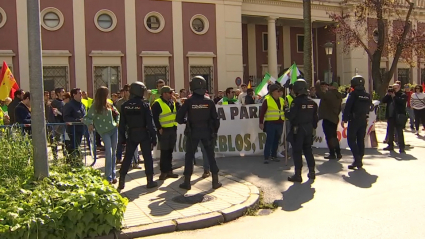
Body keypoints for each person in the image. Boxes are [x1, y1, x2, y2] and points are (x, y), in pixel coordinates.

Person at [176, 76, 221, 190]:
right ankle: (215, 181)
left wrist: (186, 121)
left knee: (189, 156)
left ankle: (187, 182)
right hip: (207, 132)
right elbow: (216, 119)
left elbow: (179, 118)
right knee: (211, 156)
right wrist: (214, 132)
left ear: (192, 87)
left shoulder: (189, 102)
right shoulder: (209, 101)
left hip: (193, 133)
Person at [118, 82, 158, 190]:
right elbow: (150, 123)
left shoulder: (125, 105)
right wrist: (154, 137)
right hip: (143, 133)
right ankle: (150, 181)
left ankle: (121, 180)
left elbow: (122, 124)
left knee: (127, 157)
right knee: (147, 157)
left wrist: (121, 139)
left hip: (132, 134)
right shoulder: (144, 105)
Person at [84, 87, 120, 184]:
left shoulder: (109, 103)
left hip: (113, 129)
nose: (108, 96)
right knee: (108, 152)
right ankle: (107, 176)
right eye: (106, 94)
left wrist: (117, 122)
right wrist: (90, 123)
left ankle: (113, 175)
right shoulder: (95, 106)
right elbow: (86, 118)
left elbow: (117, 114)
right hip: (104, 131)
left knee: (113, 153)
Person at [285, 79, 318, 182]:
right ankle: (312, 171)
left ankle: (298, 174)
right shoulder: (312, 102)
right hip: (308, 129)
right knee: (308, 150)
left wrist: (286, 110)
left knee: (297, 151)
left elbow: (291, 116)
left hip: (298, 130)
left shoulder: (296, 102)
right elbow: (315, 118)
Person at [341, 75, 372, 169]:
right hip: (363, 120)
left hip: (354, 120)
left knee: (351, 140)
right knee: (360, 140)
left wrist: (344, 119)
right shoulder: (367, 95)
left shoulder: (353, 94)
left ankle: (357, 158)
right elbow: (370, 107)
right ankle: (359, 160)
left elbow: (348, 107)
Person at [152, 86, 181, 180]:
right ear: (164, 93)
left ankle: (169, 170)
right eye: (170, 93)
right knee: (164, 151)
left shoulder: (172, 102)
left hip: (172, 128)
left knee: (170, 151)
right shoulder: (157, 103)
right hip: (163, 130)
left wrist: (177, 101)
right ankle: (163, 172)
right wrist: (159, 128)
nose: (172, 95)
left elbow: (180, 110)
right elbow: (154, 117)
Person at [315, 81, 343, 159]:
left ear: (332, 87)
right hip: (334, 118)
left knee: (329, 137)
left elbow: (320, 94)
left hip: (328, 118)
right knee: (334, 136)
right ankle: (338, 152)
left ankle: (332, 153)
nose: (328, 87)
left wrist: (317, 85)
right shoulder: (338, 96)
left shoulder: (330, 94)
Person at [115, 84, 141, 168]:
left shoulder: (134, 101)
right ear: (124, 92)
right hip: (123, 126)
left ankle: (135, 162)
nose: (128, 93)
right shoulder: (119, 102)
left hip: (132, 126)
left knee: (134, 144)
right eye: (127, 91)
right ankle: (119, 158)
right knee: (121, 143)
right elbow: (118, 114)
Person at [259, 84, 284, 164]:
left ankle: (274, 155)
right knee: (270, 140)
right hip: (271, 123)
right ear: (273, 92)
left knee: (276, 140)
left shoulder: (282, 100)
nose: (279, 92)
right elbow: (262, 112)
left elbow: (284, 110)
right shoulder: (267, 100)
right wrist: (261, 122)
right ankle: (266, 157)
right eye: (278, 91)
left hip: (280, 123)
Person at [382, 83, 407, 153]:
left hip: (398, 115)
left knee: (399, 132)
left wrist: (394, 96)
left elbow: (401, 102)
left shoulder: (402, 94)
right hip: (391, 116)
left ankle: (401, 147)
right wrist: (388, 94)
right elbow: (383, 100)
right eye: (393, 88)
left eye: (395, 88)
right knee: (390, 131)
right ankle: (390, 145)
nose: (394, 90)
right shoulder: (390, 95)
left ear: (399, 87)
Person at [63, 88, 86, 164]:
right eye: (79, 93)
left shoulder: (82, 105)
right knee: (73, 148)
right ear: (74, 95)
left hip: (80, 130)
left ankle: (76, 162)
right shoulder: (69, 105)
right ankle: (73, 163)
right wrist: (78, 120)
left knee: (77, 146)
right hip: (72, 130)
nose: (81, 95)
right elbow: (66, 117)